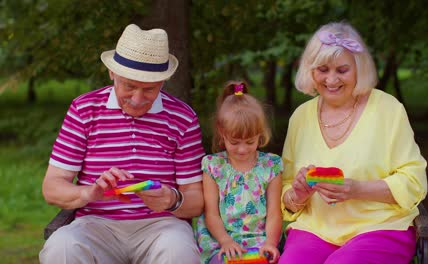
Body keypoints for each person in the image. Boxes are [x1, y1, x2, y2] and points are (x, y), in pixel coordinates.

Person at [39, 24, 205, 264]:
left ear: (163, 81)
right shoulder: (84, 109)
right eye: (129, 86)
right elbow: (52, 188)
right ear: (111, 73)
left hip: (161, 226)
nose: (138, 99)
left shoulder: (183, 117)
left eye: (149, 89)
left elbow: (196, 200)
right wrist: (89, 193)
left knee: (179, 251)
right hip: (96, 225)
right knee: (60, 248)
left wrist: (171, 199)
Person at [278, 22, 428, 264]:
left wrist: (356, 189)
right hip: (316, 229)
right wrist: (297, 194)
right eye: (323, 69)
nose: (331, 79)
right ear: (310, 70)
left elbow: (414, 182)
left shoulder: (388, 110)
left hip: (380, 227)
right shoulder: (300, 117)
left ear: (359, 69)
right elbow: (285, 191)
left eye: (342, 70)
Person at [196, 81, 283, 264]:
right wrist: (225, 241)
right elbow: (211, 214)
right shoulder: (214, 166)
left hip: (259, 240)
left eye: (250, 142)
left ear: (260, 133)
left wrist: (270, 242)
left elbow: (274, 212)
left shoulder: (270, 165)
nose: (242, 149)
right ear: (222, 133)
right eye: (234, 142)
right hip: (221, 239)